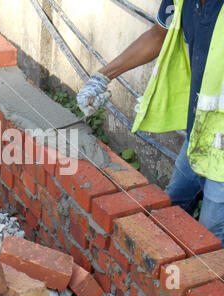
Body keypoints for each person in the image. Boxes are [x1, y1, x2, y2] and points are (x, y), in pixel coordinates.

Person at [77, 0, 224, 245]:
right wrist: (102, 77)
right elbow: (158, 35)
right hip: (200, 132)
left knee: (209, 238)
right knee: (172, 205)